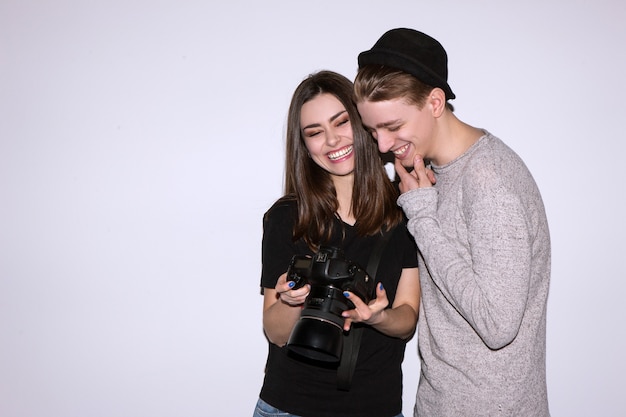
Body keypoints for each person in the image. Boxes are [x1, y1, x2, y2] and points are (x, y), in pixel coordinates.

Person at [353, 28, 551, 417]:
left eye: (393, 127)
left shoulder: (491, 182)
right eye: (373, 130)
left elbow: (497, 326)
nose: (381, 145)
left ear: (435, 102)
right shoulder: (431, 174)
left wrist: (423, 217)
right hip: (441, 402)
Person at [253, 70, 421, 417]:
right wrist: (289, 300)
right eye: (315, 132)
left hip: (375, 405)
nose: (332, 141)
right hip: (289, 406)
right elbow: (275, 332)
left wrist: (377, 317)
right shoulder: (287, 218)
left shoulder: (404, 210)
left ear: (362, 122)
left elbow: (407, 317)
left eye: (340, 122)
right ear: (304, 146)